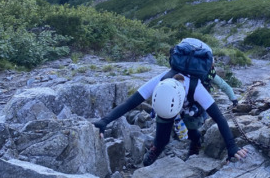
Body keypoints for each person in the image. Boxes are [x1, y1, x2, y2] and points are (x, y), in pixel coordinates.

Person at [93, 70, 248, 166]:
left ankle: (195, 142)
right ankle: (158, 147)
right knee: (161, 137)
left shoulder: (197, 88)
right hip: (167, 106)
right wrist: (104, 121)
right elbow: (129, 103)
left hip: (191, 109)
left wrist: (231, 147)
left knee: (192, 132)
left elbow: (220, 118)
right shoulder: (161, 80)